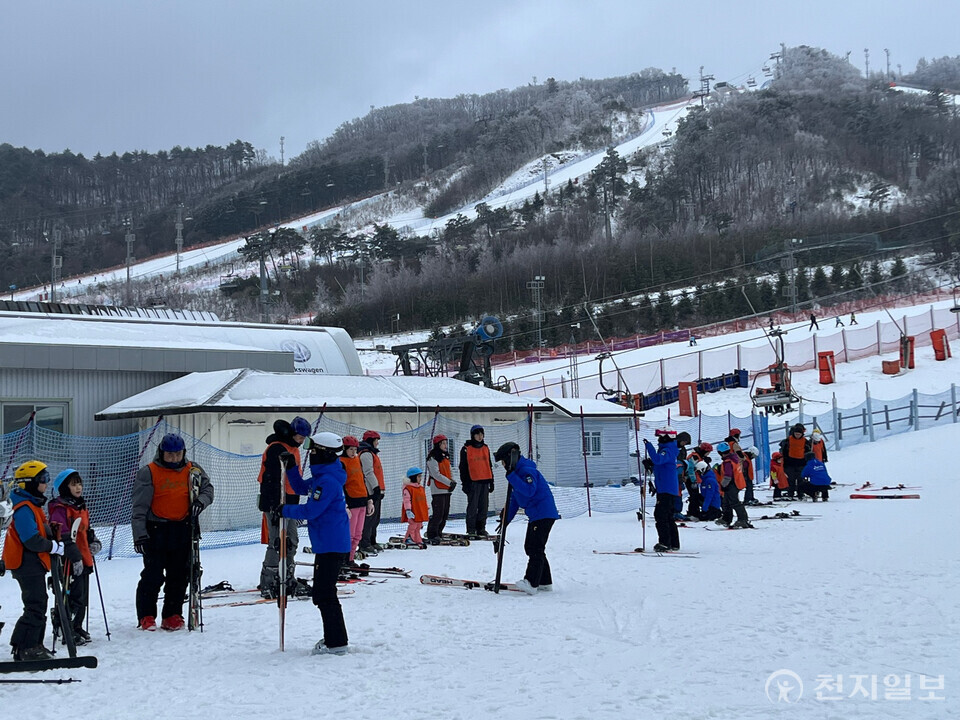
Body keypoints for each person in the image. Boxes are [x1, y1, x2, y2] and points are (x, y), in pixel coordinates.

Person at [132, 432, 213, 631]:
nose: (174, 458)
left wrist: (200, 502)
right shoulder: (149, 472)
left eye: (178, 454)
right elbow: (139, 507)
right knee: (153, 575)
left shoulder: (193, 470)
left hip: (183, 528)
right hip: (156, 530)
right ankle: (146, 615)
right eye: (170, 455)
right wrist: (140, 535)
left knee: (180, 574)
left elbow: (208, 489)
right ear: (162, 453)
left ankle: (172, 614)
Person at [279, 432, 351, 656]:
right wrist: (291, 467)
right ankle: (335, 639)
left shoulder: (327, 481)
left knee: (324, 594)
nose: (310, 455)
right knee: (322, 593)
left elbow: (311, 510)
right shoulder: (324, 476)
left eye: (313, 450)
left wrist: (284, 510)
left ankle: (336, 642)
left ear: (324, 453)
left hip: (331, 544)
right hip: (327, 543)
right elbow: (301, 487)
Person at [2, 461, 63, 661]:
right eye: (43, 480)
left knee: (38, 603)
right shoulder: (23, 507)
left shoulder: (32, 505)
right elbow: (30, 538)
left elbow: (38, 530)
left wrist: (50, 533)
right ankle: (26, 646)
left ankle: (31, 644)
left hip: (32, 562)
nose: (46, 484)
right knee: (35, 604)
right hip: (25, 562)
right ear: (30, 483)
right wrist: (51, 546)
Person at [493, 442, 560, 594]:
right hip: (538, 514)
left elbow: (529, 490)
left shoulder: (526, 470)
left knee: (534, 547)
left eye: (504, 461)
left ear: (511, 457)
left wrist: (512, 477)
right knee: (535, 547)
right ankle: (544, 582)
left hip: (543, 513)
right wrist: (505, 520)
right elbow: (516, 500)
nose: (503, 465)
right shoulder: (517, 472)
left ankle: (531, 582)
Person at [47, 468, 102, 645]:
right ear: (65, 487)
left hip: (84, 556)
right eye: (73, 484)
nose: (78, 487)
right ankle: (65, 626)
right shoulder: (60, 508)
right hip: (69, 558)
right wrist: (74, 556)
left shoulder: (80, 505)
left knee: (82, 595)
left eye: (79, 483)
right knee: (71, 594)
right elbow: (62, 534)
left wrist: (93, 541)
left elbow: (85, 529)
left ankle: (77, 625)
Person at [257, 417, 309, 598]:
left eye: (304, 439)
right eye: (300, 437)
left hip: (290, 504)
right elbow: (270, 480)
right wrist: (273, 507)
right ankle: (269, 580)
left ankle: (286, 577)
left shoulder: (293, 449)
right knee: (277, 543)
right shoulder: (277, 449)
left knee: (291, 541)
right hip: (275, 504)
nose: (302, 442)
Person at [644, 426, 681, 552]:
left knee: (661, 515)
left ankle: (665, 542)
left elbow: (658, 460)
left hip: (667, 488)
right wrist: (651, 466)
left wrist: (649, 447)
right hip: (665, 487)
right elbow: (661, 466)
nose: (659, 439)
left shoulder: (668, 449)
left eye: (660, 436)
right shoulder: (666, 449)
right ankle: (674, 543)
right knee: (668, 516)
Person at [340, 436, 372, 563]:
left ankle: (351, 558)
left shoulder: (357, 460)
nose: (354, 452)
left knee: (358, 535)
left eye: (355, 449)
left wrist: (369, 499)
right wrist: (345, 504)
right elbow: (341, 485)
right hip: (351, 502)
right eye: (351, 449)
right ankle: (344, 559)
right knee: (350, 534)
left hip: (362, 501)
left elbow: (362, 480)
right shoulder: (341, 462)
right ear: (344, 449)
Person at [459, 425, 494, 537]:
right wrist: (465, 483)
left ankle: (481, 528)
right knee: (473, 507)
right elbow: (463, 467)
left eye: (481, 434)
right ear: (472, 435)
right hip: (473, 482)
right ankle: (471, 529)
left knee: (484, 507)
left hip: (485, 481)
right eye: (477, 434)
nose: (480, 436)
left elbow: (489, 464)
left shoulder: (485, 448)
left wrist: (491, 481)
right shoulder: (466, 449)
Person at [425, 434, 456, 543]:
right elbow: (436, 474)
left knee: (445, 513)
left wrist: (452, 481)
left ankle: (439, 531)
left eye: (446, 443)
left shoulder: (445, 457)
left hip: (446, 488)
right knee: (438, 512)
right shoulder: (432, 457)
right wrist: (449, 482)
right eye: (443, 443)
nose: (445, 445)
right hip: (438, 489)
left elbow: (449, 470)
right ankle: (432, 533)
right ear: (438, 444)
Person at [358, 430, 385, 554]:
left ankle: (372, 540)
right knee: (369, 519)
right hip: (370, 491)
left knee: (375, 518)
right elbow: (368, 472)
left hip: (375, 490)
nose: (377, 443)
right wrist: (375, 488)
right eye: (376, 440)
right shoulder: (366, 454)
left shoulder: (372, 453)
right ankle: (365, 543)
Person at [717, 442, 752, 528]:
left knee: (734, 502)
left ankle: (742, 519)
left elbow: (728, 475)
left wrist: (723, 485)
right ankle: (726, 518)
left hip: (731, 484)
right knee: (726, 501)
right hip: (736, 482)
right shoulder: (734, 458)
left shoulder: (727, 462)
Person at [778, 424, 810, 500]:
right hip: (790, 463)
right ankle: (790, 494)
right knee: (790, 479)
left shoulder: (805, 441)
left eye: (799, 434)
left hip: (801, 463)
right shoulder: (788, 440)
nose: (797, 435)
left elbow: (808, 451)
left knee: (800, 479)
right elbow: (784, 450)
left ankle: (800, 494)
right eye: (796, 434)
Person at [401, 468, 429, 547]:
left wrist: (426, 507)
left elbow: (423, 499)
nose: (421, 478)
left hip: (420, 511)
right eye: (419, 476)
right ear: (413, 477)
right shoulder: (408, 489)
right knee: (413, 525)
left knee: (418, 526)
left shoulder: (420, 488)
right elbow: (407, 500)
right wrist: (408, 510)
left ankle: (417, 539)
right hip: (413, 511)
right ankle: (409, 538)